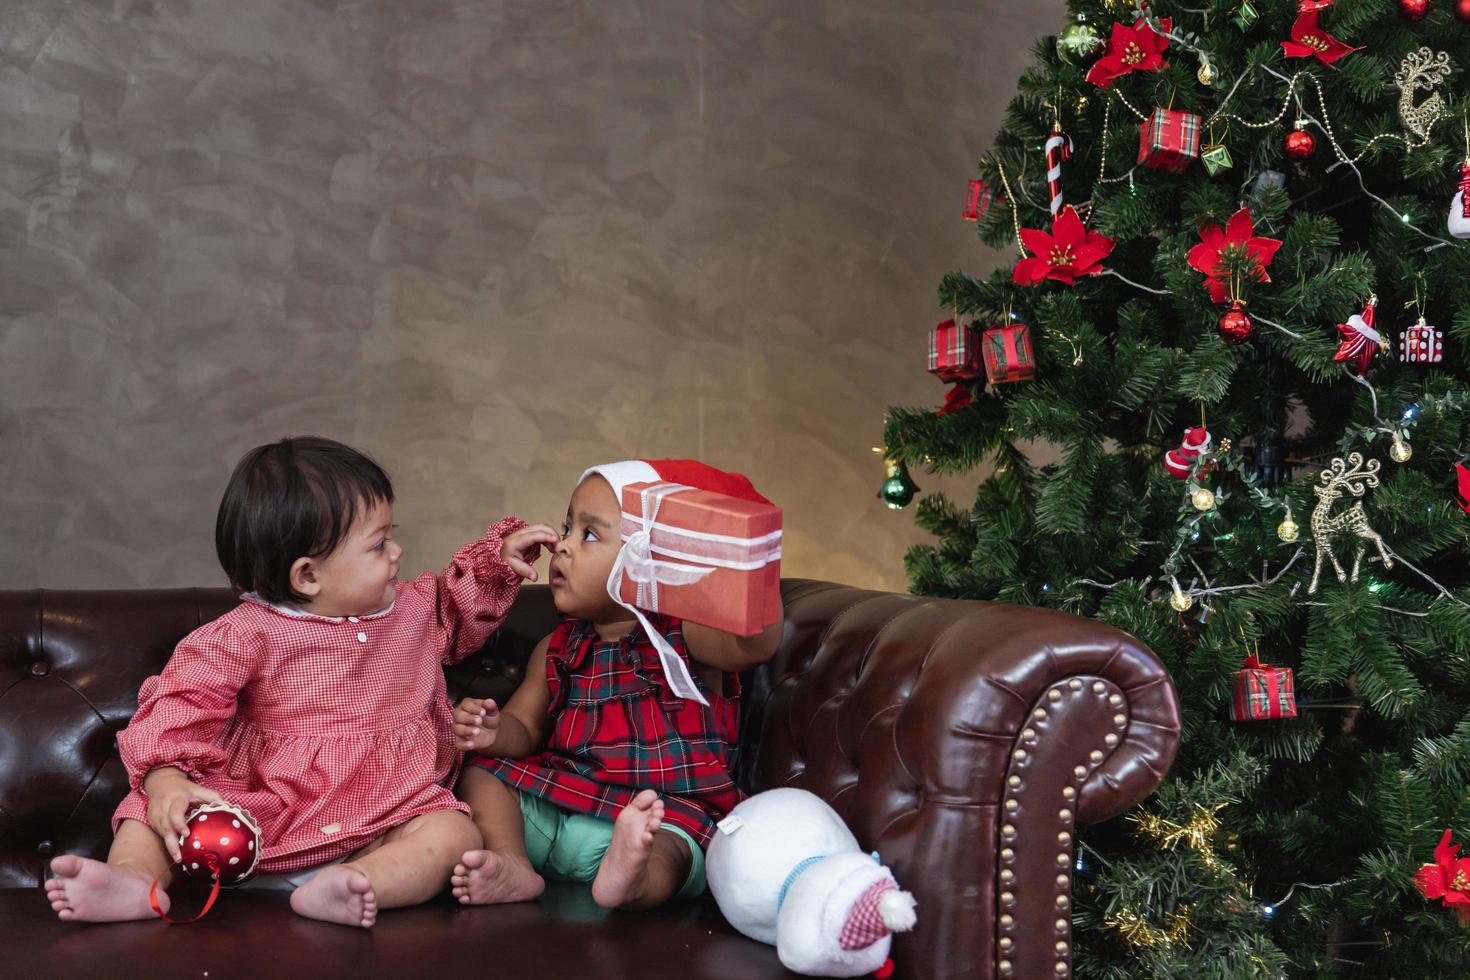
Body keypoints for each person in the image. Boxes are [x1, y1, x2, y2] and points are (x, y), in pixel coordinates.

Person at [44, 436, 558, 927]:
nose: (398, 553)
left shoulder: (414, 612)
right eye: (379, 545)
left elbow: (459, 603)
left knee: (452, 831)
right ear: (307, 576)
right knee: (145, 813)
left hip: (379, 816)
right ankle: (134, 881)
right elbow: (182, 706)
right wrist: (167, 782)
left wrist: (498, 564)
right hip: (251, 818)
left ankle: (356, 883)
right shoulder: (241, 636)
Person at [451, 459, 782, 911]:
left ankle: (633, 880)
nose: (561, 547)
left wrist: (741, 557)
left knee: (676, 848)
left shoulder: (685, 637)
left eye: (588, 535)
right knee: (481, 774)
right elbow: (524, 728)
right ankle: (511, 862)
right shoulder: (558, 645)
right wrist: (493, 732)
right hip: (563, 805)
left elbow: (752, 641)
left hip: (663, 814)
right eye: (567, 529)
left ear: (652, 556)